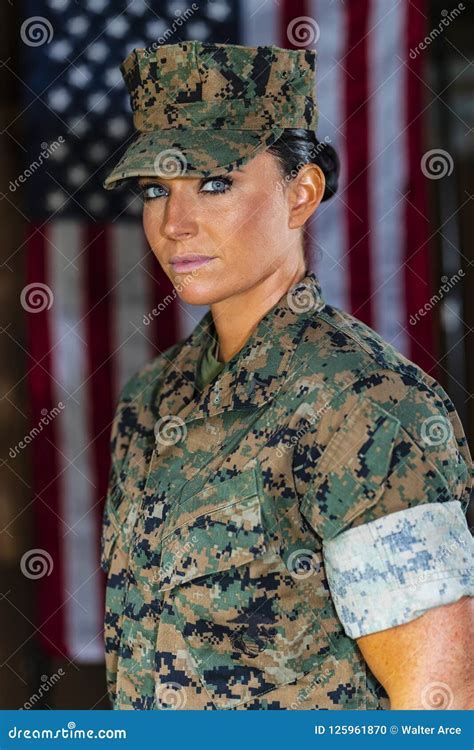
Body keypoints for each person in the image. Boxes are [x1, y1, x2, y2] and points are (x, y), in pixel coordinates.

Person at [100, 40, 473, 711]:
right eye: (157, 189)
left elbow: (439, 702)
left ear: (300, 195)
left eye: (215, 184)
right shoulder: (152, 401)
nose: (175, 223)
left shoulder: (360, 407)